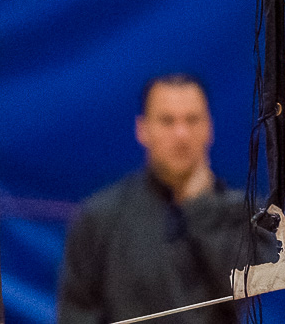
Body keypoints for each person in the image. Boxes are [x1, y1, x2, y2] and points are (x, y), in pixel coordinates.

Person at [57, 74, 270, 324]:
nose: (181, 135)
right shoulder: (100, 218)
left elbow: (248, 292)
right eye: (167, 121)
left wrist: (200, 206)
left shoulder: (243, 214)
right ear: (143, 129)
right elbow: (76, 314)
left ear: (208, 128)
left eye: (192, 120)